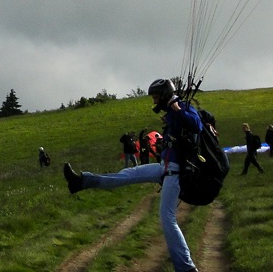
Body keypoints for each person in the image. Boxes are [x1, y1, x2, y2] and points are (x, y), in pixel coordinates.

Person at [63, 78, 203, 272]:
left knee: (167, 218)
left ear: (164, 95)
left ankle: (186, 268)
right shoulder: (172, 112)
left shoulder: (183, 107)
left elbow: (197, 126)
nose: (154, 101)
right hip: (164, 167)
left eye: (156, 97)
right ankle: (81, 182)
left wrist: (178, 110)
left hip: (175, 172)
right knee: (126, 174)